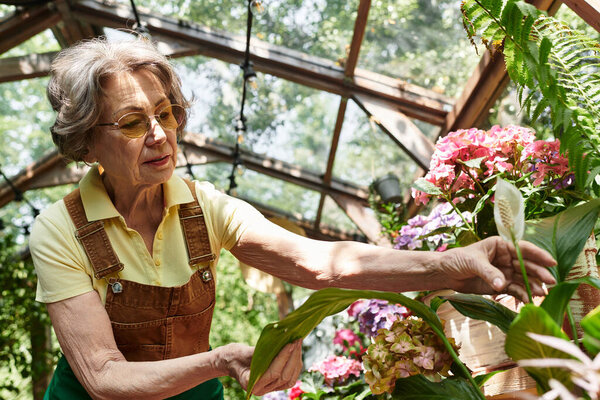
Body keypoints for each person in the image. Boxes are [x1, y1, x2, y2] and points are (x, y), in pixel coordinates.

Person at [30, 36, 556, 400]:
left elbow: (323, 263)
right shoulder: (61, 229)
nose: (160, 134)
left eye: (165, 113)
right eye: (131, 122)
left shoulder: (203, 205)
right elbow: (103, 377)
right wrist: (219, 360)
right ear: (87, 140)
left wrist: (457, 264)